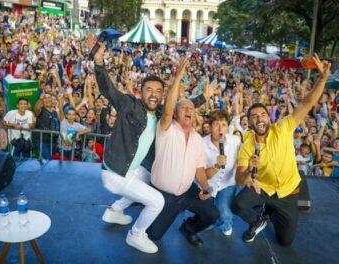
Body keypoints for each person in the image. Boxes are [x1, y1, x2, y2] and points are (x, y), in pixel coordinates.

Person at [87, 35, 213, 254]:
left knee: (150, 179)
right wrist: (98, 62)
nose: (153, 95)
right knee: (156, 201)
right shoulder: (129, 105)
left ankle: (114, 210)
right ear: (140, 92)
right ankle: (136, 235)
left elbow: (180, 106)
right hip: (115, 172)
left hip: (132, 170)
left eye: (158, 91)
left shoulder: (160, 115)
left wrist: (203, 97)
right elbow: (108, 89)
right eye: (149, 90)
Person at [231, 54, 331, 246]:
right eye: (254, 116)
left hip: (288, 193)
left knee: (284, 241)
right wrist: (247, 170)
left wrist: (323, 78)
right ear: (249, 122)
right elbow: (238, 180)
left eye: (263, 114)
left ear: (269, 118)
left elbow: (306, 104)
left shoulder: (283, 128)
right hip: (265, 189)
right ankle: (258, 220)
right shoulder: (247, 146)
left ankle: (270, 211)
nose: (259, 119)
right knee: (238, 204)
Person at [147, 58, 220, 247]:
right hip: (165, 195)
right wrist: (178, 78)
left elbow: (199, 169)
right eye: (183, 108)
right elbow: (167, 108)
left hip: (188, 192)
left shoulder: (197, 139)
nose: (189, 110)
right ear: (176, 114)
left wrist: (205, 188)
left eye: (191, 108)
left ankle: (189, 227)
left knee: (212, 214)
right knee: (153, 235)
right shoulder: (166, 128)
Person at [203, 109, 241, 236]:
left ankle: (225, 225)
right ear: (210, 126)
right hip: (207, 184)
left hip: (227, 183)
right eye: (216, 124)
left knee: (223, 211)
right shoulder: (202, 144)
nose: (220, 129)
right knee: (206, 218)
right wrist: (216, 166)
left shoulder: (235, 141)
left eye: (224, 125)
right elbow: (202, 175)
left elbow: (243, 162)